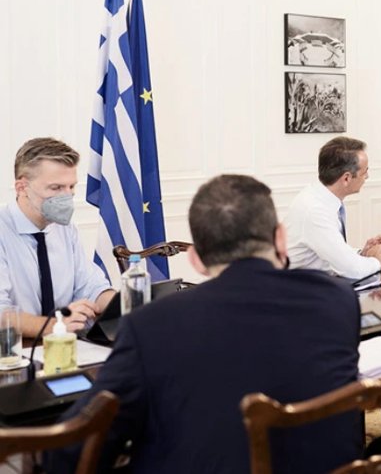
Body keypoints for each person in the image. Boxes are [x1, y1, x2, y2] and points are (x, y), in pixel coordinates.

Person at [47, 175, 362, 473]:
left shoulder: (150, 325)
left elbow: (80, 443)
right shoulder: (338, 300)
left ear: (196, 259)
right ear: (280, 237)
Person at [0, 138, 114, 337]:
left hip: (66, 346)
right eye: (56, 188)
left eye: (71, 187)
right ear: (21, 188)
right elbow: (2, 316)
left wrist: (127, 304)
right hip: (15, 349)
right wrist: (57, 326)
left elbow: (91, 287)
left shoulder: (65, 228)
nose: (67, 196)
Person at [285, 137, 381, 279]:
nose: (367, 176)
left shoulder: (320, 197)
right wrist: (377, 260)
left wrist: (362, 254)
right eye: (365, 172)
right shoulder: (315, 211)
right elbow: (353, 271)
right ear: (346, 178)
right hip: (303, 289)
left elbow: (332, 255)